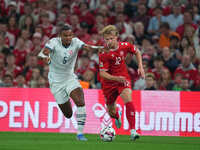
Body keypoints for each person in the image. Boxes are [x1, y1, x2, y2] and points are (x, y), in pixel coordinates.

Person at [33, 24, 102, 141]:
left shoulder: (76, 42)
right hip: (56, 82)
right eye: (66, 35)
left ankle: (80, 134)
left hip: (70, 78)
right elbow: (43, 53)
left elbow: (87, 47)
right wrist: (45, 57)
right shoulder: (54, 42)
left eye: (70, 35)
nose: (68, 38)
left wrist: (100, 48)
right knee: (68, 114)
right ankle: (66, 104)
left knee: (80, 101)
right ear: (60, 36)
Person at [98, 25, 145, 141]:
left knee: (128, 99)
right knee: (111, 111)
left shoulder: (125, 46)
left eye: (111, 38)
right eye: (106, 39)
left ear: (116, 37)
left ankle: (133, 131)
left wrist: (140, 67)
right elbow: (102, 74)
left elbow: (137, 52)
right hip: (109, 83)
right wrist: (116, 78)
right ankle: (117, 115)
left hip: (123, 79)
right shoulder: (104, 54)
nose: (109, 41)